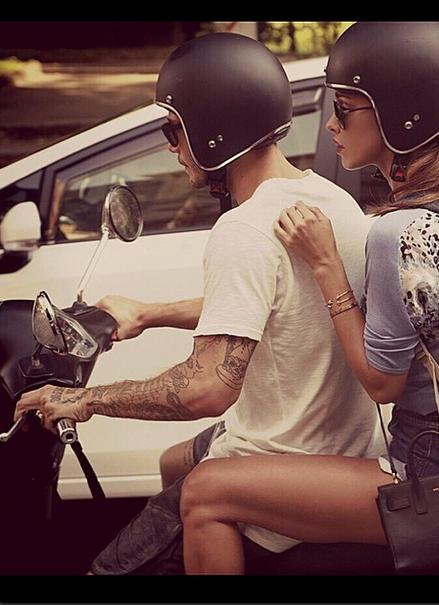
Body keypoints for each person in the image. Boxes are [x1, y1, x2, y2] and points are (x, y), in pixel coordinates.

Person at [13, 33, 384, 574]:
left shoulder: (244, 229)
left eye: (174, 129)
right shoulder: (330, 200)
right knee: (173, 463)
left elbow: (207, 389)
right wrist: (149, 314)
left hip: (283, 463)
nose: (172, 146)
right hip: (341, 444)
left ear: (215, 129)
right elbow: (279, 307)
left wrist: (85, 399)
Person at [176, 22, 439, 574]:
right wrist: (155, 314)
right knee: (188, 466)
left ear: (399, 118)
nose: (330, 125)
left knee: (204, 492)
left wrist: (326, 265)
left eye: (344, 110)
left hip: (429, 473)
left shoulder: (399, 233)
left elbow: (383, 384)